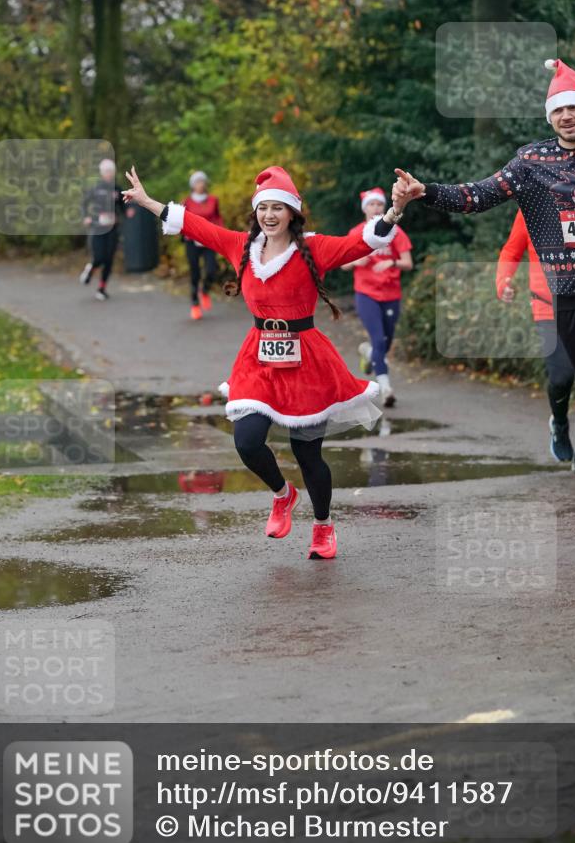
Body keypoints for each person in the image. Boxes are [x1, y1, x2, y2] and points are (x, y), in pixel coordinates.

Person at [392, 57, 575, 555]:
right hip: (569, 300)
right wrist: (425, 192)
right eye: (558, 109)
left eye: (574, 108)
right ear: (550, 117)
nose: (567, 116)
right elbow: (478, 195)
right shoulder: (531, 164)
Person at [122, 163, 404, 560]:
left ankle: (323, 528)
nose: (269, 215)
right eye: (263, 208)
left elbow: (360, 243)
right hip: (259, 357)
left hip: (306, 360)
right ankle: (282, 495)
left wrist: (393, 212)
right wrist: (148, 201)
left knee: (308, 455)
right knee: (247, 442)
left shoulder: (314, 247)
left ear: (292, 212)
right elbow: (196, 226)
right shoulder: (242, 246)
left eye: (278, 207)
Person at [497, 208, 575, 474]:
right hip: (547, 307)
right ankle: (560, 424)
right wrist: (504, 282)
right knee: (561, 377)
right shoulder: (531, 207)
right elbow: (510, 251)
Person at [343, 187, 413, 406]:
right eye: (372, 205)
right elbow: (342, 263)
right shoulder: (357, 232)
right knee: (379, 338)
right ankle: (386, 389)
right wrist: (355, 261)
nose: (376, 208)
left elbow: (408, 263)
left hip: (391, 294)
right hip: (366, 294)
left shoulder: (395, 233)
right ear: (365, 209)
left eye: (379, 204)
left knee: (386, 341)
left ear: (385, 207)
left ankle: (371, 353)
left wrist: (391, 262)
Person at [79, 158, 125, 301]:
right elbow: (83, 204)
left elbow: (124, 207)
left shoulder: (117, 189)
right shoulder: (96, 188)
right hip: (98, 229)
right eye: (106, 171)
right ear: (101, 173)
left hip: (112, 230)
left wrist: (124, 214)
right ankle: (91, 269)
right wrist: (86, 217)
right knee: (99, 258)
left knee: (109, 260)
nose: (109, 174)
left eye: (111, 171)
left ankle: (102, 288)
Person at [182, 171, 224, 320]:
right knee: (195, 273)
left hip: (209, 240)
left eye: (202, 182)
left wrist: (221, 234)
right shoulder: (186, 202)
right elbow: (182, 220)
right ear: (192, 185)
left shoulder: (213, 200)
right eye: (197, 182)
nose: (201, 185)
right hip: (192, 241)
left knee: (212, 270)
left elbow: (218, 218)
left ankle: (205, 291)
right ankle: (194, 304)